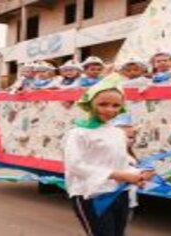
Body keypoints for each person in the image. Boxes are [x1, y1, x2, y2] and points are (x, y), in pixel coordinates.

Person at [64, 73, 153, 236]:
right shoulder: (79, 133)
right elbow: (75, 166)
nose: (109, 110)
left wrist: (139, 174)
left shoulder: (117, 132)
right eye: (103, 104)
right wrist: (119, 174)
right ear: (89, 103)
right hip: (90, 195)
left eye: (115, 105)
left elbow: (121, 162)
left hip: (119, 193)